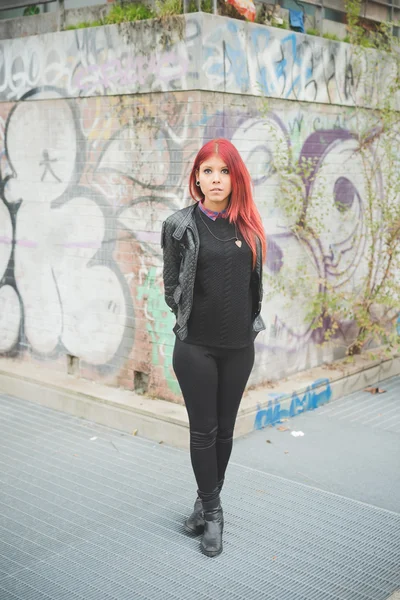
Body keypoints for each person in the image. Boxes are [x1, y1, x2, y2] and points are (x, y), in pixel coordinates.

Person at [161, 138, 267, 557]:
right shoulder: (179, 224)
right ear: (197, 178)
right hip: (196, 347)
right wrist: (193, 316)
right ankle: (215, 514)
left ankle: (202, 504)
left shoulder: (250, 228)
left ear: (235, 177)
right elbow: (171, 285)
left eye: (224, 171)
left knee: (225, 431)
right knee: (203, 432)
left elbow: (253, 288)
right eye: (208, 170)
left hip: (240, 346)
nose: (216, 179)